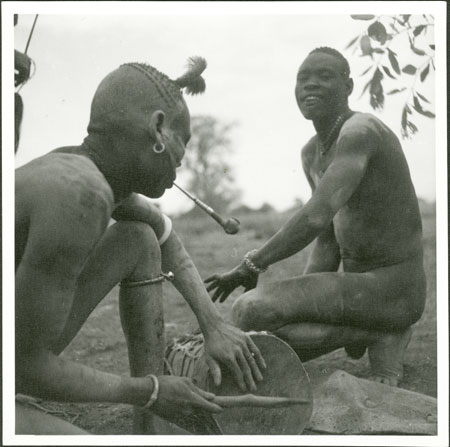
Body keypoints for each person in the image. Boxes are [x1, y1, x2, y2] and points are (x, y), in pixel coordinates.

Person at [15, 57, 266, 434]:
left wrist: (213, 325)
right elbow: (24, 367)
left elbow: (162, 235)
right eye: (185, 140)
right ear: (159, 128)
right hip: (15, 365)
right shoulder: (80, 194)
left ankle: (148, 430)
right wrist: (148, 391)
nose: (183, 158)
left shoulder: (81, 171)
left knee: (138, 239)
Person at [206, 47, 426, 387]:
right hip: (359, 293)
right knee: (264, 333)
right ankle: (375, 332)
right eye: (303, 78)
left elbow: (316, 217)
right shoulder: (311, 152)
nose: (311, 85)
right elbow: (328, 239)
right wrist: (300, 304)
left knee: (248, 311)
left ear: (348, 86)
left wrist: (252, 265)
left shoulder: (360, 131)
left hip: (394, 288)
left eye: (325, 77)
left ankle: (386, 327)